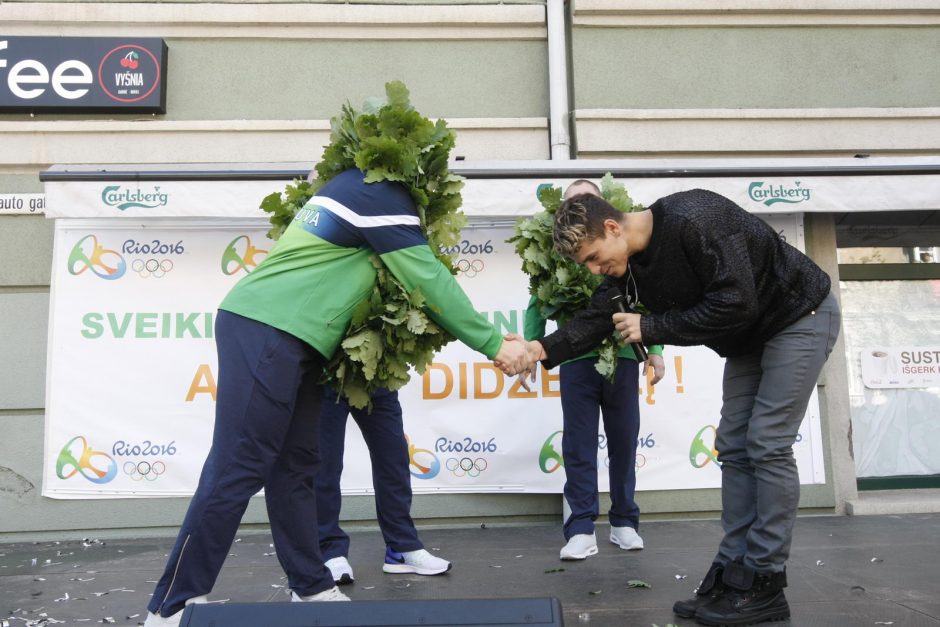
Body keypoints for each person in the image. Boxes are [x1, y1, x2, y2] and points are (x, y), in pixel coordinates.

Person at [142, 168, 529, 626]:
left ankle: (310, 586)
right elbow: (428, 278)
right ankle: (173, 604)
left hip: (304, 341)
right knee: (239, 464)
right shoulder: (376, 189)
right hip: (266, 326)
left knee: (298, 465)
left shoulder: (363, 192)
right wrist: (495, 344)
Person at [516, 189, 840, 626]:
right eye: (587, 265)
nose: (595, 269)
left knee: (767, 442)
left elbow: (737, 299)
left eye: (594, 257)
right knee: (734, 446)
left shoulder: (694, 218)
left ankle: (765, 579)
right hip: (750, 338)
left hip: (800, 315)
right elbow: (595, 320)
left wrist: (651, 326)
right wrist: (538, 349)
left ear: (612, 227)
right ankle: (732, 571)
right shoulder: (628, 271)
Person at [523, 179, 665, 561]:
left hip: (620, 358)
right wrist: (531, 351)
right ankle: (581, 528)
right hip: (573, 359)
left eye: (587, 202)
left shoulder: (623, 250)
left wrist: (655, 349)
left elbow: (646, 301)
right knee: (579, 445)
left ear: (604, 210)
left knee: (623, 442)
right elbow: (537, 303)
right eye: (572, 203)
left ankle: (624, 524)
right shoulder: (556, 251)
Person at [316, 385, 450, 584]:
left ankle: (402, 548)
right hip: (324, 375)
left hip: (375, 376)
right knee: (324, 465)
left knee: (394, 457)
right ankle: (328, 551)